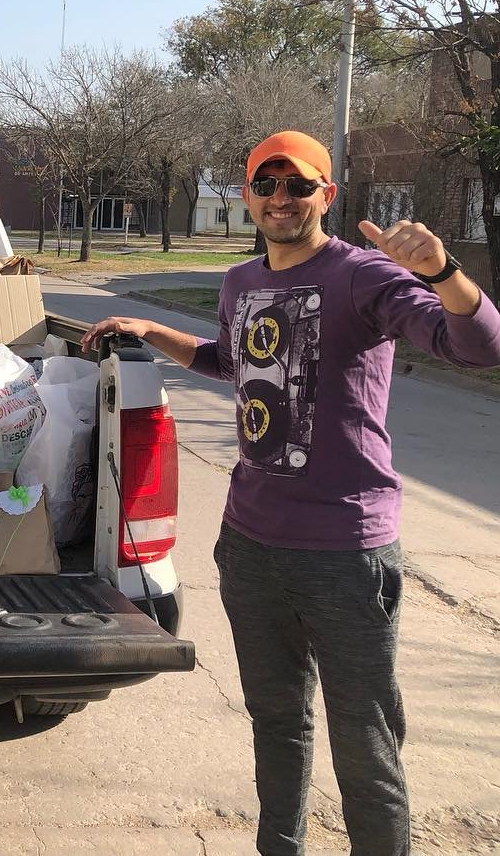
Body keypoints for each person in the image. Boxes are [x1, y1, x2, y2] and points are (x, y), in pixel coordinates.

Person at [82, 130, 500, 855]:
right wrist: (152, 328)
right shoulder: (242, 281)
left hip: (345, 554)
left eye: (298, 184)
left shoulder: (364, 275)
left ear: (325, 195)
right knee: (276, 723)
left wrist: (444, 272)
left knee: (365, 744)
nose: (281, 198)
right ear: (247, 196)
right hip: (251, 546)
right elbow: (231, 361)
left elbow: (477, 345)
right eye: (266, 184)